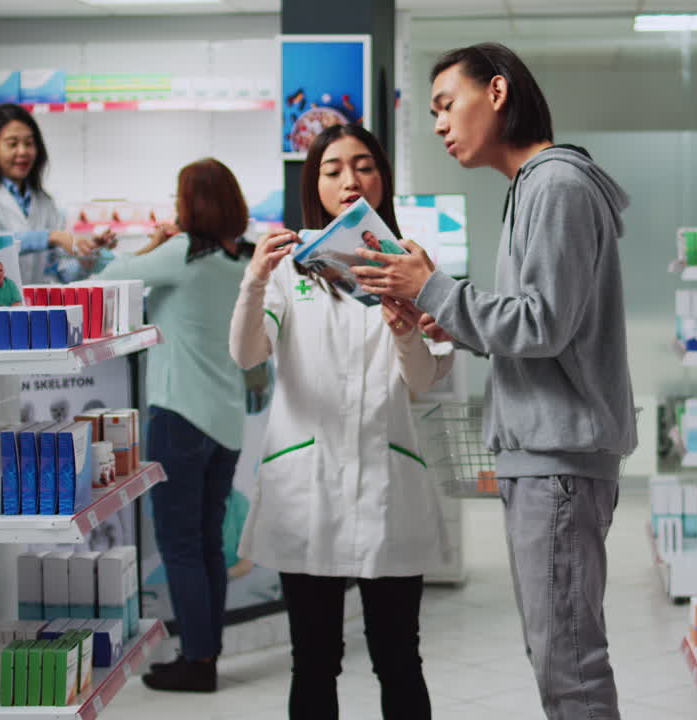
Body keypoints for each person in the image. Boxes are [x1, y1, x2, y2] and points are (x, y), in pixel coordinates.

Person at [351, 42, 637, 720]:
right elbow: (536, 327)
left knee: (568, 664)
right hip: (547, 458)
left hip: (558, 462)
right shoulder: (531, 189)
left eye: (448, 105)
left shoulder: (555, 185)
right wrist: (444, 313)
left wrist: (436, 289)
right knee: (558, 654)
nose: (441, 124)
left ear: (499, 92)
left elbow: (542, 325)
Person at [229, 124, 452, 720]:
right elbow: (248, 354)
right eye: (332, 169)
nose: (350, 179)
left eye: (363, 166)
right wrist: (253, 281)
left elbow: (424, 380)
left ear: (383, 179)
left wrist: (406, 325)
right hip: (309, 486)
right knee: (315, 659)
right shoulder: (287, 269)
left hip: (387, 481)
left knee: (399, 657)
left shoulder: (413, 266)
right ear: (315, 184)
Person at [92, 158, 251, 693]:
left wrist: (149, 246)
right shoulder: (241, 260)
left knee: (180, 544)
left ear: (190, 205)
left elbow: (104, 282)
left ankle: (197, 660)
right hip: (225, 423)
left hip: (179, 416)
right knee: (209, 544)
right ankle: (205, 656)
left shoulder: (181, 253)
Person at [0, 103, 114, 284]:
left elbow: (63, 272)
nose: (23, 151)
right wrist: (51, 237)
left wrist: (87, 255)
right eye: (12, 144)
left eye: (29, 143)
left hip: (35, 309)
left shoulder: (44, 202)